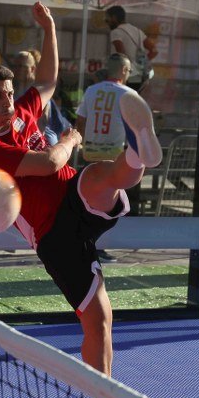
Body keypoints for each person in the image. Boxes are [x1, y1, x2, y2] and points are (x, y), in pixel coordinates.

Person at [0, 1, 163, 398]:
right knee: (99, 321)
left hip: (75, 196)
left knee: (98, 177)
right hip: (54, 237)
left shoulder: (22, 114)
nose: (9, 99)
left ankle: (139, 152)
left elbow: (49, 80)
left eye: (10, 92)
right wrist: (73, 134)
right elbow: (50, 160)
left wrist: (51, 27)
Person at [76, 53, 138, 262]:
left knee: (88, 200)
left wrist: (82, 143)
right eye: (128, 70)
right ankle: (96, 245)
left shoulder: (92, 91)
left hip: (91, 154)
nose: (129, 74)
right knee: (108, 204)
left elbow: (81, 122)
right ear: (122, 70)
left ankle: (85, 242)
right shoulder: (128, 94)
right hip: (114, 156)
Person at [105, 5, 157, 93]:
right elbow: (154, 51)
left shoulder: (116, 32)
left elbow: (121, 56)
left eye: (107, 19)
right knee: (132, 100)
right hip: (139, 76)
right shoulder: (138, 31)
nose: (106, 22)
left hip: (126, 76)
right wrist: (141, 63)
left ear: (113, 18)